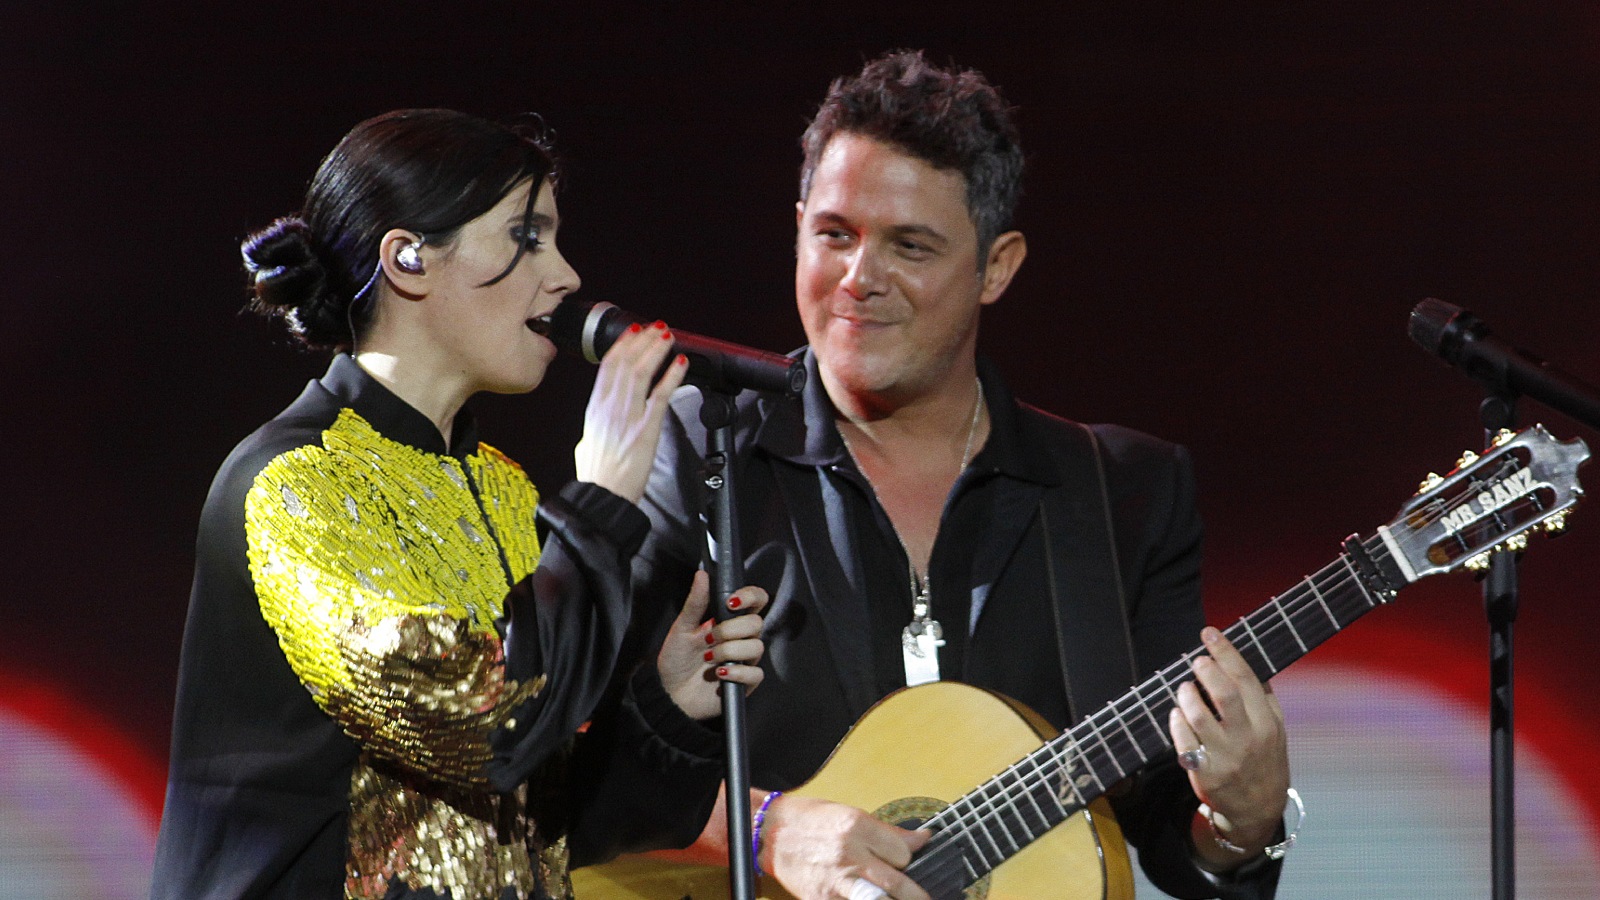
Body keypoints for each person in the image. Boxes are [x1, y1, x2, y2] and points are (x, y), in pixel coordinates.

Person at [579, 52, 1293, 899]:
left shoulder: (1122, 493)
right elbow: (572, 769)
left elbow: (1171, 834)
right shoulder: (699, 451)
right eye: (834, 234)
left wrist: (1238, 821)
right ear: (798, 224)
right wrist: (769, 830)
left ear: (998, 267)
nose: (859, 280)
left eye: (909, 246)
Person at [149, 109, 768, 900]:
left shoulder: (498, 486)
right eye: (526, 237)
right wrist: (603, 501)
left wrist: (667, 703)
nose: (567, 276)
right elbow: (483, 725)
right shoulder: (296, 482)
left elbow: (523, 828)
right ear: (409, 258)